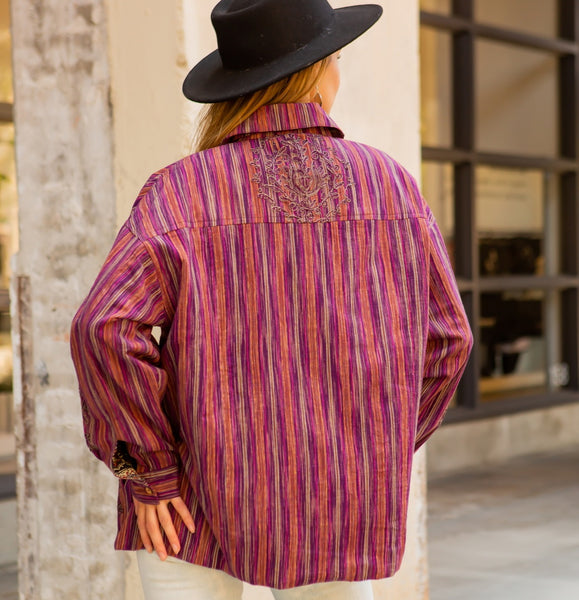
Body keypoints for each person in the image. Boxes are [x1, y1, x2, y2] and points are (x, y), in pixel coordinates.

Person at [70, 0, 473, 598]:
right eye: (336, 60)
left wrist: (150, 470)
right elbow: (447, 339)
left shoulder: (180, 192)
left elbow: (103, 327)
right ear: (317, 72)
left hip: (189, 499)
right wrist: (372, 442)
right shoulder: (388, 185)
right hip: (339, 501)